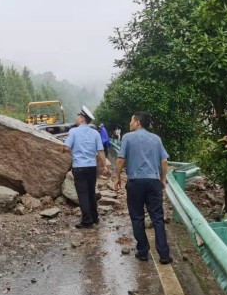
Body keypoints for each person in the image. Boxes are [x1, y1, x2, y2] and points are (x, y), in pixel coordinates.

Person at [115, 112, 173, 264]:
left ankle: (142, 251)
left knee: (137, 217)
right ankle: (164, 255)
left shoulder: (127, 137)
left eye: (131, 120)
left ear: (138, 122)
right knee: (158, 218)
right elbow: (164, 161)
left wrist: (117, 177)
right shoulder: (156, 138)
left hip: (135, 183)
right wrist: (162, 179)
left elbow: (120, 159)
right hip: (153, 182)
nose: (130, 123)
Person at [63, 106, 109, 229]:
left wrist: (65, 148)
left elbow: (66, 148)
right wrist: (104, 166)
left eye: (78, 116)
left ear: (82, 119)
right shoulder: (95, 133)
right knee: (91, 192)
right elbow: (101, 151)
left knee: (83, 194)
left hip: (79, 167)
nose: (77, 118)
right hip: (92, 167)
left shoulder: (73, 131)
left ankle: (87, 220)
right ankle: (95, 217)